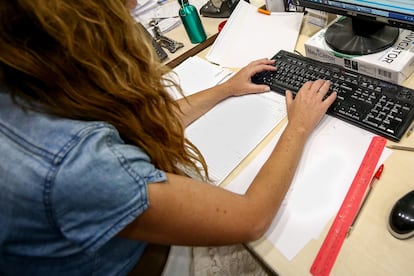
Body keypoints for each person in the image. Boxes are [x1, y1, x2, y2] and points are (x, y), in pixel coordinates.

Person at [0, 0, 336, 275]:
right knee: (279, 258)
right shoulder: (75, 165)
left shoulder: (23, 92)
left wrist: (224, 89)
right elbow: (251, 217)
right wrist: (299, 126)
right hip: (157, 264)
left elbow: (146, 123)